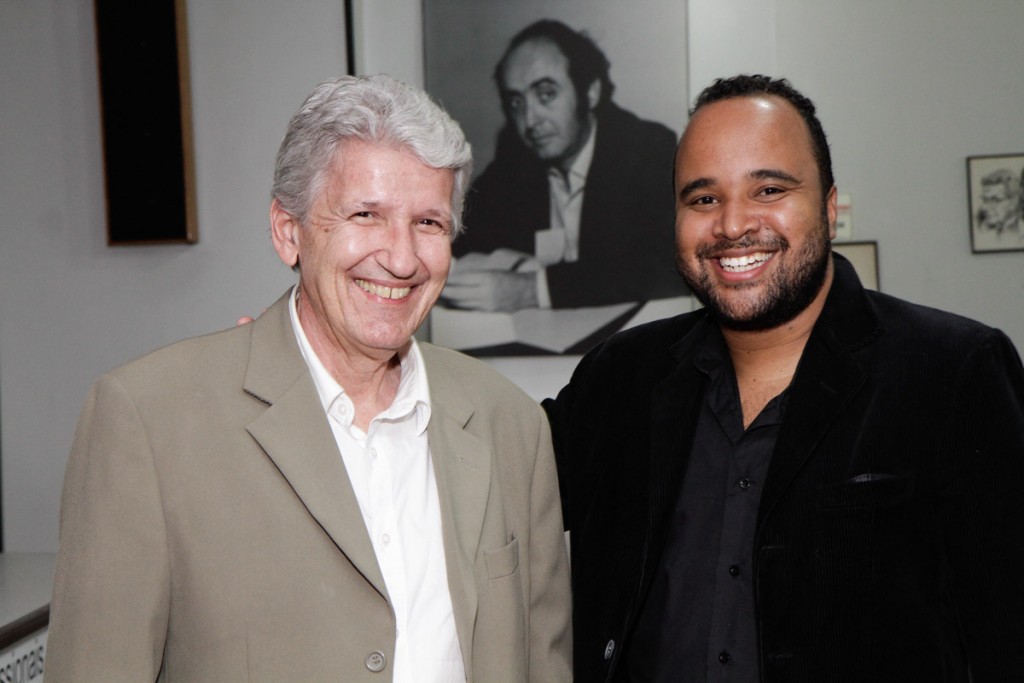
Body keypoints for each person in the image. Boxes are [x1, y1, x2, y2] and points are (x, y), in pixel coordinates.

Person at [46, 74, 572, 682]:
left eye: (428, 223)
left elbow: (543, 664)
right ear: (288, 232)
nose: (401, 259)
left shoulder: (512, 424)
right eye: (365, 214)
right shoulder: (149, 421)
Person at [545, 74, 1024, 681]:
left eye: (768, 188)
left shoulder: (954, 371)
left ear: (828, 205)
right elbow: (494, 482)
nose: (732, 225)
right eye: (702, 198)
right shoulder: (619, 378)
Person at [442, 19, 687, 312]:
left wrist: (532, 289)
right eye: (517, 102)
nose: (530, 121)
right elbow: (461, 240)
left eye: (546, 94)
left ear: (590, 92)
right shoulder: (515, 157)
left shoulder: (646, 148)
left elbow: (666, 263)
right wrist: (517, 264)